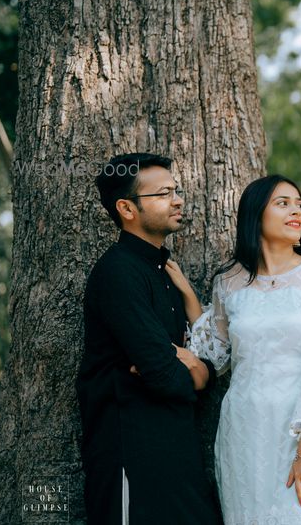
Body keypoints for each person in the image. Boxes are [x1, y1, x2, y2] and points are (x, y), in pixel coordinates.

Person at [178, 174, 301, 524]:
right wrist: (189, 296)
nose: (296, 211)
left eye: (299, 205)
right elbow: (215, 353)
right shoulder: (228, 281)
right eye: (283, 203)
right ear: (255, 214)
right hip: (246, 428)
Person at [76, 153, 221, 525]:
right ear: (127, 208)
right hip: (132, 456)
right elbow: (162, 372)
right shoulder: (118, 273)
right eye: (163, 194)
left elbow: (172, 365)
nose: (178, 200)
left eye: (177, 190)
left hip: (177, 453)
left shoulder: (164, 272)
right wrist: (198, 374)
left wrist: (195, 368)